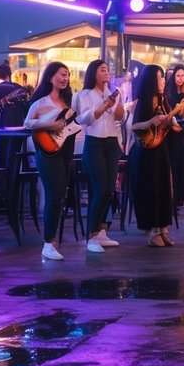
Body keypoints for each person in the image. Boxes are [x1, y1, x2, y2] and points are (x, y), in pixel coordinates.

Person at [23, 61, 81, 260]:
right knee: (54, 194)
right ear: (50, 77)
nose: (65, 78)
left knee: (61, 195)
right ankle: (48, 242)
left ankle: (52, 240)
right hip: (47, 151)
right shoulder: (41, 102)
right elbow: (27, 123)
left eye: (67, 75)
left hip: (67, 149)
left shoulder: (70, 103)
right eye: (61, 74)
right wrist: (50, 124)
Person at [73, 59, 125, 254]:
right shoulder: (84, 95)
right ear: (94, 72)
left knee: (109, 190)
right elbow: (83, 119)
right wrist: (104, 106)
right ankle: (92, 235)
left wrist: (116, 103)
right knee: (99, 189)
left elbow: (120, 117)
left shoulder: (113, 93)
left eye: (107, 70)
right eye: (103, 70)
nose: (107, 73)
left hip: (112, 143)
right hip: (94, 143)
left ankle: (102, 232)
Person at [126, 65, 175, 248]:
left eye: (163, 77)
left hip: (160, 148)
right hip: (145, 151)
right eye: (159, 77)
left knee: (164, 188)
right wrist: (152, 121)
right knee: (152, 189)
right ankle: (154, 231)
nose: (163, 80)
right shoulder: (143, 101)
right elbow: (134, 126)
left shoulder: (162, 100)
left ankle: (162, 228)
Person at [164, 65, 184, 214]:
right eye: (178, 75)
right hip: (171, 134)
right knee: (174, 166)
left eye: (183, 76)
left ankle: (179, 198)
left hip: (183, 133)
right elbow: (168, 114)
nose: (180, 78)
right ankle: (172, 199)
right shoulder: (168, 93)